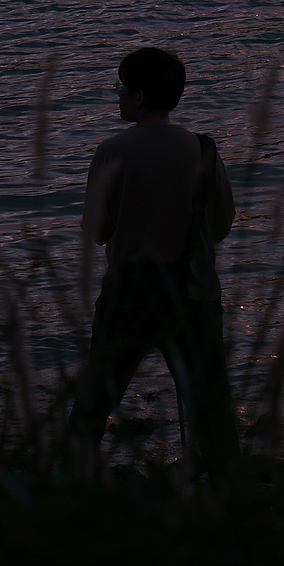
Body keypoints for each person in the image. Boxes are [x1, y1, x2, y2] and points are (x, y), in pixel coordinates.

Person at [68, 46, 240, 482]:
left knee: (94, 404)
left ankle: (69, 489)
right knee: (212, 410)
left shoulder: (111, 152)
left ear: (139, 96)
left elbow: (99, 231)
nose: (118, 96)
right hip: (195, 296)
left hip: (129, 295)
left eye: (122, 88)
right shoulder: (203, 151)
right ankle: (227, 497)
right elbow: (220, 226)